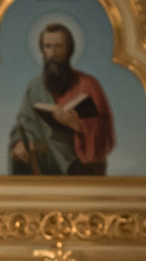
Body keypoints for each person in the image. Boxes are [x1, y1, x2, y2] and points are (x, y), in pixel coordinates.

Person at [8, 22, 116, 176]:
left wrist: (79, 125)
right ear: (42, 50)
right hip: (45, 162)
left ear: (69, 50)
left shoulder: (88, 84)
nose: (53, 53)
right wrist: (20, 142)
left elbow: (105, 134)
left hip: (81, 164)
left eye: (58, 46)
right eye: (47, 46)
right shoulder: (35, 86)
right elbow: (24, 123)